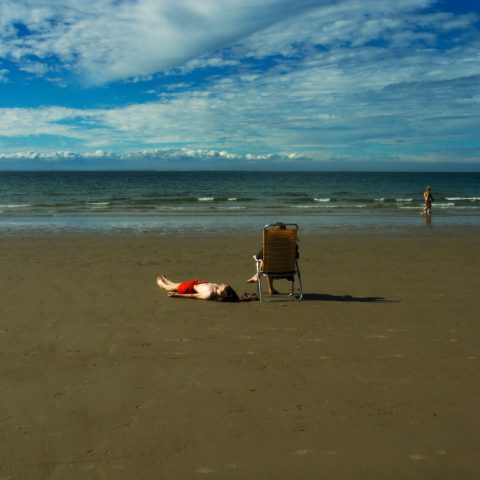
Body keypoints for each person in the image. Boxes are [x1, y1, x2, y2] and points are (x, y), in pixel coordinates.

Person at [246, 222, 299, 295]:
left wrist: (256, 257)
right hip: (287, 272)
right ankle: (258, 277)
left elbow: (258, 256)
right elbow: (297, 256)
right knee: (270, 260)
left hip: (271, 272)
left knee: (266, 260)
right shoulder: (292, 244)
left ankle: (265, 284)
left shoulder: (269, 244)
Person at [157, 275, 240, 301]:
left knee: (170, 287)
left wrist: (176, 295)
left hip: (189, 288)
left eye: (223, 286)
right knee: (176, 285)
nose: (222, 284)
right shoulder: (217, 288)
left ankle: (162, 284)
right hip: (197, 283)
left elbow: (193, 296)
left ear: (223, 292)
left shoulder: (209, 294)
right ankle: (170, 283)